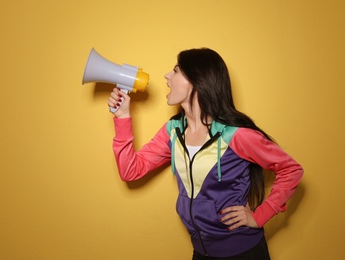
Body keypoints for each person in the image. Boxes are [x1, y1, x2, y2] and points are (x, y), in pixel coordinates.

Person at [108, 48, 303, 260]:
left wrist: (260, 216)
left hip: (244, 252)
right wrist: (123, 117)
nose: (166, 76)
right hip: (201, 252)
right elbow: (130, 171)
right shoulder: (172, 131)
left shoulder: (235, 135)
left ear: (197, 80)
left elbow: (291, 169)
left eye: (175, 71)